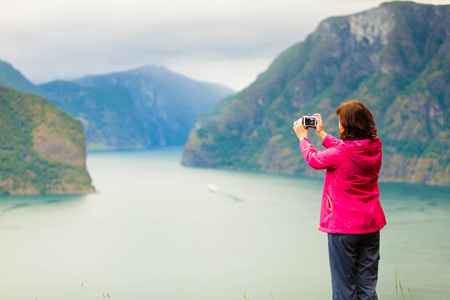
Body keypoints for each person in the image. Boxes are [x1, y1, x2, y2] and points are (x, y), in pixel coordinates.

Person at [292, 100, 386, 300]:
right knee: (367, 287)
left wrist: (303, 138)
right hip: (370, 225)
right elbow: (348, 149)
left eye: (341, 122)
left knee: (344, 289)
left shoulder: (342, 153)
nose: (340, 126)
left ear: (349, 125)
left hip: (344, 228)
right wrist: (322, 135)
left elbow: (314, 159)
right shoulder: (375, 146)